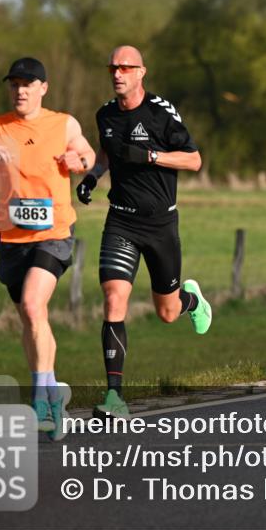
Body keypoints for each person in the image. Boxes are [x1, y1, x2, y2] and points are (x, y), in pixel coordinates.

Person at [76, 45, 211, 419]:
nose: (117, 73)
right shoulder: (104, 114)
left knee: (167, 312)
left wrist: (150, 156)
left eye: (125, 67)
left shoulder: (159, 113)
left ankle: (192, 301)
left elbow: (194, 160)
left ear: (141, 72)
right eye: (112, 68)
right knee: (113, 298)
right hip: (121, 221)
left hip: (161, 224)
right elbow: (106, 152)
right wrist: (92, 176)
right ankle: (114, 397)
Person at [0, 57, 95, 440]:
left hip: (53, 233)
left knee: (32, 304)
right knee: (30, 320)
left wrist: (79, 160)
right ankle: (54, 389)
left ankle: (40, 399)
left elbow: (87, 155)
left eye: (28, 84)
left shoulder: (64, 123)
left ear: (44, 87)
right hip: (11, 238)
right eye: (14, 84)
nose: (20, 90)